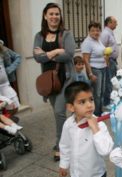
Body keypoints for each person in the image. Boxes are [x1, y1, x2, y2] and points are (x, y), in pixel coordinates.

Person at [33, 2, 76, 161]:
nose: (54, 17)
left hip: (65, 79)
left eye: (57, 14)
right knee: (59, 114)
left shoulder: (66, 34)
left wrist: (47, 54)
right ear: (45, 16)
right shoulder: (39, 36)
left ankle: (60, 146)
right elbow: (37, 57)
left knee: (59, 112)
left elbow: (69, 54)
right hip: (49, 81)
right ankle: (71, 136)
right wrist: (57, 51)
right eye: (51, 14)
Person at [59, 81, 113, 177]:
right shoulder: (68, 124)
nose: (89, 105)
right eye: (82, 102)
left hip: (95, 176)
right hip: (76, 176)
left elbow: (105, 150)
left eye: (91, 99)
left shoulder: (99, 125)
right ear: (71, 107)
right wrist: (64, 164)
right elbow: (65, 145)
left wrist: (95, 128)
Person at [81, 21, 107, 116]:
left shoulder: (97, 40)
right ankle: (96, 114)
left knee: (102, 92)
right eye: (93, 30)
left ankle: (100, 111)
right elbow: (86, 60)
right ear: (89, 31)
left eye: (97, 30)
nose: (96, 32)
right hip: (95, 70)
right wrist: (90, 74)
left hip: (103, 68)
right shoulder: (87, 42)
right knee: (97, 94)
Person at [100, 16, 119, 109]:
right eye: (115, 22)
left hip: (112, 60)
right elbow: (102, 48)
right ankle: (106, 102)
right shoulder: (105, 34)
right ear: (109, 23)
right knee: (109, 81)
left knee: (111, 80)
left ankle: (109, 99)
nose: (117, 24)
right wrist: (106, 61)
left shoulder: (110, 33)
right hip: (109, 60)